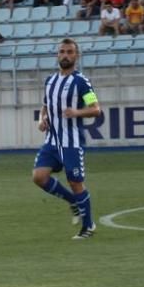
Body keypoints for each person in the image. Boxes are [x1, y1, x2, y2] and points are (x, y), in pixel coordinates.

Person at [31, 38, 102, 239]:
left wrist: (77, 112)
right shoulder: (50, 81)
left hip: (71, 142)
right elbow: (45, 105)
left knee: (75, 182)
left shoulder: (81, 82)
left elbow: (96, 109)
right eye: (62, 51)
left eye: (70, 52)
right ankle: (73, 202)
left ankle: (88, 227)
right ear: (57, 55)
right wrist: (42, 119)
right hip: (51, 141)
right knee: (39, 177)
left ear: (76, 56)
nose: (65, 55)